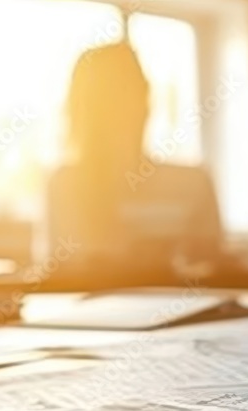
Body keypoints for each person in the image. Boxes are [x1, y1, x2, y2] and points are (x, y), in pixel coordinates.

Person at [47, 42, 222, 281]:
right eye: (111, 94)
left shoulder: (193, 184)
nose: (130, 103)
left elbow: (214, 266)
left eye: (135, 89)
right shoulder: (65, 186)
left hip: (187, 312)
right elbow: (63, 275)